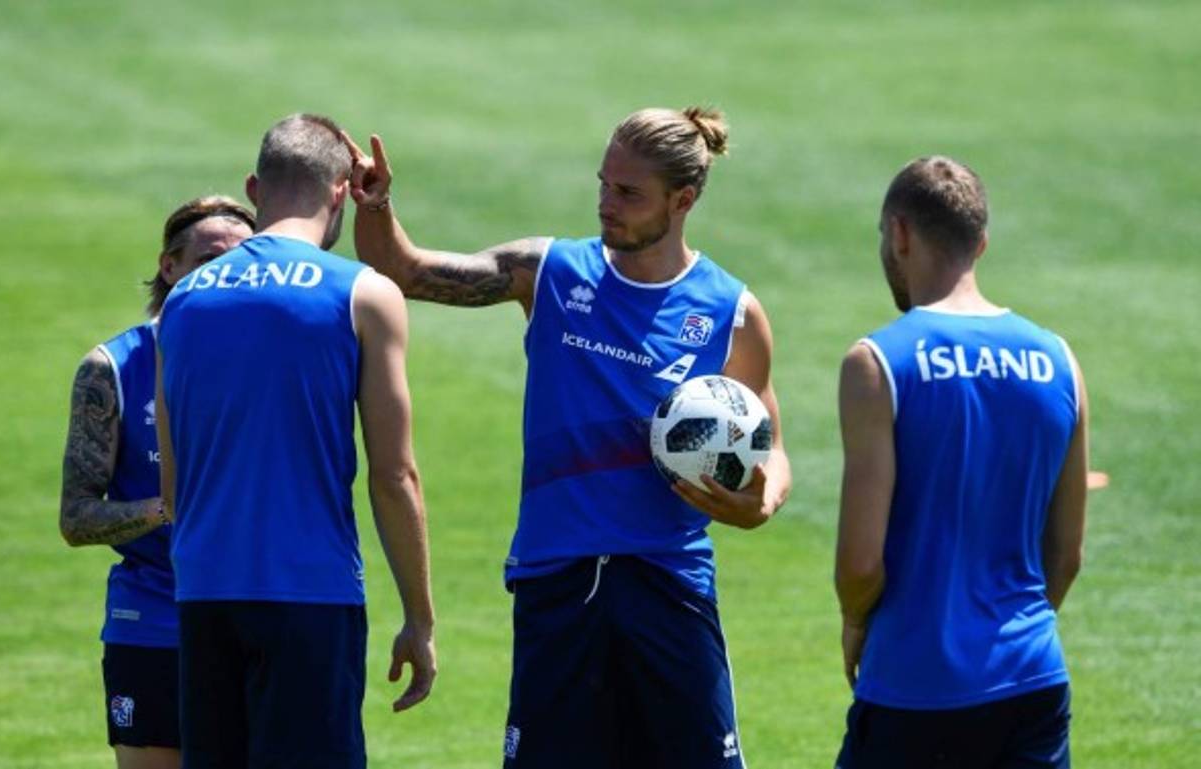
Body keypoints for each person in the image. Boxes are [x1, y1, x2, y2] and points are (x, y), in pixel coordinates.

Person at [344, 106, 792, 768]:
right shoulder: (552, 272)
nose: (606, 204)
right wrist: (377, 207)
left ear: (683, 199)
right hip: (558, 581)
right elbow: (405, 272)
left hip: (669, 582)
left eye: (628, 192)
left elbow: (770, 442)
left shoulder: (730, 312)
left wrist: (762, 500)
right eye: (604, 183)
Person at [155, 113, 436, 769]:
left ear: (255, 188)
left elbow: (174, 487)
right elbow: (395, 476)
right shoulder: (364, 294)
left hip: (204, 594)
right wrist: (420, 620)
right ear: (343, 191)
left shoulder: (183, 301)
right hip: (311, 594)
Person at [833, 156, 1089, 768]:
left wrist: (853, 621)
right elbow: (1066, 554)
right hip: (1032, 679)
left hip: (914, 685)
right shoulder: (1059, 360)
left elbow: (861, 563)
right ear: (981, 242)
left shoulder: (876, 363)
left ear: (899, 233)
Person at [60, 195, 255, 769]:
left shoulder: (268, 358)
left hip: (255, 610)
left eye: (239, 262)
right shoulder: (113, 368)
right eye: (208, 260)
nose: (223, 277)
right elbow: (75, 518)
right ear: (169, 266)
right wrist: (168, 507)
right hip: (152, 619)